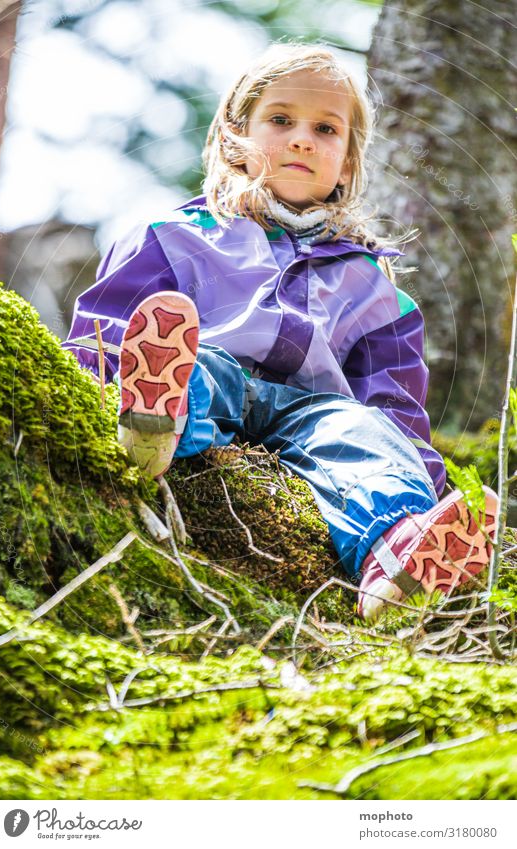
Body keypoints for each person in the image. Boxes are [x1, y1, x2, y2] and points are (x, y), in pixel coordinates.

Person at [63, 43, 497, 622]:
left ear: (346, 163)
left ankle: (398, 552)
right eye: (281, 120)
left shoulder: (373, 288)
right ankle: (146, 424)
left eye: (325, 128)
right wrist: (91, 380)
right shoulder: (173, 237)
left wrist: (420, 477)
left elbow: (393, 409)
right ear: (235, 137)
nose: (302, 139)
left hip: (313, 412)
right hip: (212, 368)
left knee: (360, 432)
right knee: (194, 366)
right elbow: (111, 323)